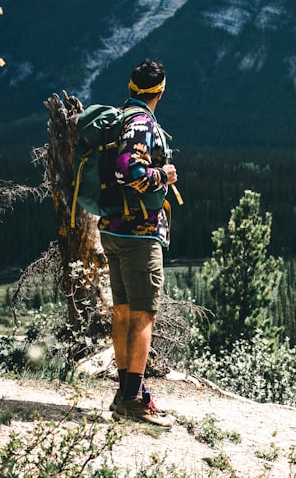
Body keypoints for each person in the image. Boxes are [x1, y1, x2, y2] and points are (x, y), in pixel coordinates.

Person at [99, 59, 178, 427]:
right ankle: (132, 398)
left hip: (112, 230)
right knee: (144, 314)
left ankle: (125, 393)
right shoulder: (142, 122)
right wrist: (164, 173)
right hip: (138, 234)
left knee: (123, 312)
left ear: (132, 88)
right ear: (160, 91)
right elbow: (127, 170)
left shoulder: (119, 117)